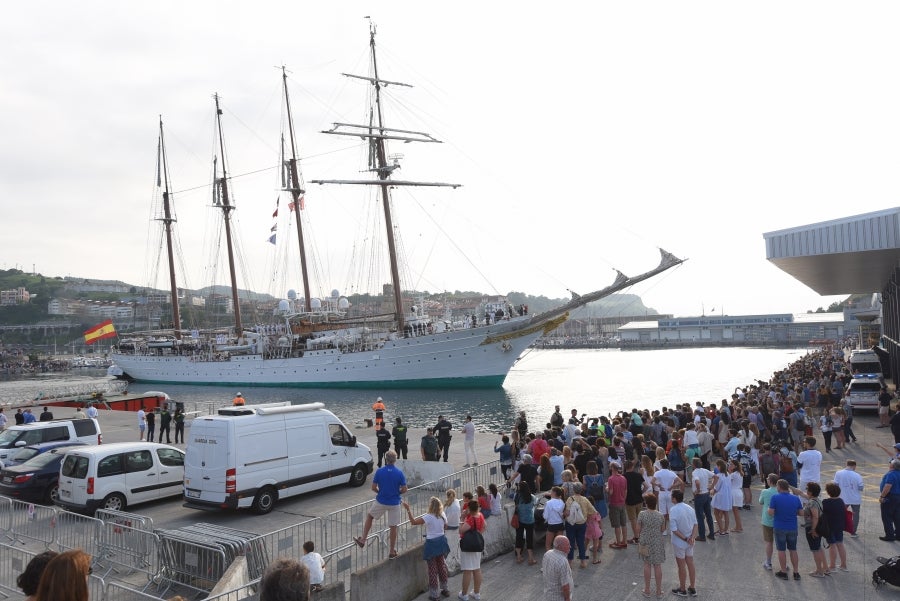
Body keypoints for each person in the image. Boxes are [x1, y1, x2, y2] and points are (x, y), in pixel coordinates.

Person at [354, 450, 407, 558]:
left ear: (385, 459)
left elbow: (373, 487)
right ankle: (392, 551)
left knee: (370, 516)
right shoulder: (399, 473)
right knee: (393, 527)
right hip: (394, 502)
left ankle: (363, 539)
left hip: (381, 501)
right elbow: (405, 489)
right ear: (395, 460)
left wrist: (381, 492)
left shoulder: (379, 471)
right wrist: (397, 492)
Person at [404, 497, 450, 601]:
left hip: (431, 544)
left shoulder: (428, 517)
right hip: (441, 542)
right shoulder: (442, 515)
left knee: (432, 569)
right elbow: (445, 527)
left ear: (431, 506)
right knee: (442, 566)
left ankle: (435, 595)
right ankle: (445, 589)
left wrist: (408, 509)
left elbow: (413, 522)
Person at [768, 478, 803, 581]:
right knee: (793, 550)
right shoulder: (795, 498)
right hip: (792, 527)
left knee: (781, 550)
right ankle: (796, 572)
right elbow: (801, 513)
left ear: (779, 487)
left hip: (780, 527)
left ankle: (783, 571)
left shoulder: (775, 497)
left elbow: (770, 512)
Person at [635, 492, 666, 598]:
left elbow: (637, 529)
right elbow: (663, 529)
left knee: (647, 564)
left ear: (646, 503)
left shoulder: (642, 514)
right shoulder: (660, 515)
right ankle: (658, 591)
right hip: (657, 542)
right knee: (657, 565)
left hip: (644, 542)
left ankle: (647, 590)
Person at [669, 489, 698, 597]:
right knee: (690, 563)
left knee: (681, 566)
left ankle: (682, 589)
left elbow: (674, 530)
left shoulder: (673, 510)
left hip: (679, 542)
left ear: (674, 498)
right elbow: (695, 524)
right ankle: (692, 587)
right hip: (690, 541)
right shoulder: (689, 508)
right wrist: (692, 537)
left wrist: (685, 539)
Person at [797, 481, 829, 577]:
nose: (806, 490)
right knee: (818, 548)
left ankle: (819, 571)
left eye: (807, 489)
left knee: (815, 550)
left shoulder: (811, 503)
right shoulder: (817, 500)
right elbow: (800, 493)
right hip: (818, 527)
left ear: (810, 492)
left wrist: (813, 529)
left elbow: (815, 517)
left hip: (812, 528)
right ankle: (824, 568)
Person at [458, 499, 485, 601]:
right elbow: (484, 526)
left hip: (468, 546)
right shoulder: (480, 515)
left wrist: (462, 518)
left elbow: (461, 530)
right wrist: (478, 534)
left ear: (469, 508)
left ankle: (464, 594)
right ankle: (476, 593)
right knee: (476, 569)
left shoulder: (470, 518)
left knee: (467, 571)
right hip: (477, 545)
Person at [564, 482, 596, 568]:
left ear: (573, 490)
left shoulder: (570, 499)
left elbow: (567, 513)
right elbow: (593, 511)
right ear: (581, 490)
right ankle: (583, 561)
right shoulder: (585, 499)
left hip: (571, 524)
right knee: (581, 542)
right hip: (582, 523)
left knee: (570, 542)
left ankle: (570, 562)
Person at [822, 482, 848, 572]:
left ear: (828, 492)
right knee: (840, 544)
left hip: (830, 527)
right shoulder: (841, 501)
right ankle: (843, 565)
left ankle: (832, 565)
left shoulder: (826, 502)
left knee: (832, 545)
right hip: (840, 526)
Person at [833, 459, 863, 536]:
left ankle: (838, 530)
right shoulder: (857, 475)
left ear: (846, 464)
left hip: (842, 498)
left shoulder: (838, 473)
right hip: (855, 499)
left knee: (840, 514)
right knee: (855, 515)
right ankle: (853, 532)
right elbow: (861, 488)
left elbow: (835, 485)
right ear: (854, 466)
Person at [513, 481, 538, 565]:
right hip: (530, 520)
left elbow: (515, 503)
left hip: (520, 520)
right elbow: (534, 505)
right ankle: (531, 558)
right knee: (529, 539)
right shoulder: (532, 497)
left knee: (519, 537)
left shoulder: (517, 496)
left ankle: (519, 557)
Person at [690, 457, 715, 541]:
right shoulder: (705, 470)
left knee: (700, 516)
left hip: (699, 495)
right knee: (709, 515)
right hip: (706, 495)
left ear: (693, 464)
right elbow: (716, 476)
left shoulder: (695, 472)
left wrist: (697, 490)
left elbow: (697, 482)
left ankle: (702, 535)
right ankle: (711, 533)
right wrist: (711, 486)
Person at [542, 535, 574, 601]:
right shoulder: (563, 561)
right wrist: (567, 599)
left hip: (548, 595)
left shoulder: (547, 553)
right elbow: (565, 586)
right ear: (560, 547)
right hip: (559, 598)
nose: (570, 547)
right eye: (568, 545)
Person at [759, 473, 779, 571]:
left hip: (767, 520)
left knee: (769, 542)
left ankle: (769, 562)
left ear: (770, 481)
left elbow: (760, 502)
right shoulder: (780, 492)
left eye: (767, 479)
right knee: (781, 544)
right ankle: (784, 563)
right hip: (779, 520)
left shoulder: (765, 491)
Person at [606, 461, 628, 549]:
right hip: (622, 502)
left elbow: (611, 492)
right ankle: (624, 541)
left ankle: (618, 542)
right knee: (624, 523)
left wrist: (606, 488)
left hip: (614, 503)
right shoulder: (623, 478)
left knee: (617, 525)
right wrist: (624, 499)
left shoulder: (611, 479)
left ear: (612, 468)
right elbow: (626, 491)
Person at [879, 459, 900, 542]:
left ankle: (890, 535)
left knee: (886, 516)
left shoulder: (891, 474)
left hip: (890, 497)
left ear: (892, 466)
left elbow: (887, 486)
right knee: (897, 516)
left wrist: (882, 496)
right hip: (898, 497)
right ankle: (898, 535)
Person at [543, 486, 566, 552]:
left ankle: (550, 558)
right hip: (560, 524)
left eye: (551, 492)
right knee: (559, 545)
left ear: (554, 493)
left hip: (551, 524)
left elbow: (545, 516)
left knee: (548, 545)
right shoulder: (562, 502)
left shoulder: (549, 503)